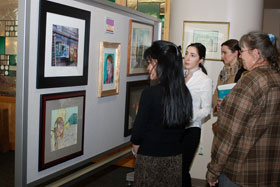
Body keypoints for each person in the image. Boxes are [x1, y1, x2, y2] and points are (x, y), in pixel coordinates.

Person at [206, 31, 280, 187]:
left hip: (241, 172)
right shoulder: (276, 77)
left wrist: (213, 170)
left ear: (256, 53)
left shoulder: (250, 81)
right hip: (270, 172)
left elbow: (230, 133)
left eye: (243, 51)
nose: (240, 56)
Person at [130, 40, 193, 187]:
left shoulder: (150, 93)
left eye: (150, 63)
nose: (148, 68)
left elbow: (138, 132)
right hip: (175, 159)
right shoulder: (185, 93)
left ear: (159, 64)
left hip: (149, 159)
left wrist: (136, 148)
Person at [182, 43, 212, 187]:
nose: (187, 58)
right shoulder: (178, 74)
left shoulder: (204, 80)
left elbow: (206, 110)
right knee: (172, 168)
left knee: (182, 169)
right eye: (186, 53)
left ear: (201, 59)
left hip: (191, 129)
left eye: (192, 55)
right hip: (173, 129)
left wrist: (188, 118)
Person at [212, 39, 247, 115]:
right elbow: (216, 93)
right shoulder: (223, 72)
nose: (222, 56)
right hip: (222, 116)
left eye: (225, 53)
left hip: (235, 116)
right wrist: (217, 106)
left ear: (235, 53)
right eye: (222, 53)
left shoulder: (244, 73)